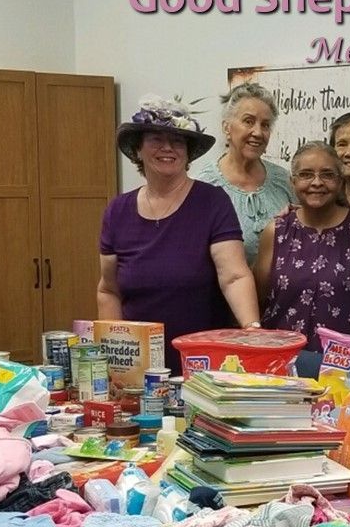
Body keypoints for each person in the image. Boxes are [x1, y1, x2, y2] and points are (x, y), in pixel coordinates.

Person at [98, 95, 260, 373]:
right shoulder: (117, 211)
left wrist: (252, 330)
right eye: (156, 140)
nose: (167, 148)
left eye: (177, 141)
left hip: (204, 365)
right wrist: (114, 361)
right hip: (139, 373)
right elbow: (109, 290)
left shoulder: (212, 202)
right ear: (138, 150)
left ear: (187, 153)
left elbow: (234, 276)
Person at [255, 141, 350, 352]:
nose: (317, 182)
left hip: (341, 364)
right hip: (282, 361)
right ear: (292, 182)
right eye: (306, 175)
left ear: (341, 181)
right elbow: (259, 297)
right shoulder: (276, 231)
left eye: (327, 174)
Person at [197, 82, 294, 263]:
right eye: (248, 121)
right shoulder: (204, 186)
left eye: (265, 125)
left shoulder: (284, 180)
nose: (257, 132)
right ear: (227, 127)